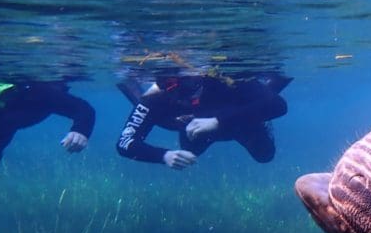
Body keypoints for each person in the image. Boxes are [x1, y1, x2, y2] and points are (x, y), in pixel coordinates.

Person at [115, 70, 290, 169]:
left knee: (265, 154)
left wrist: (218, 121)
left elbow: (278, 105)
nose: (185, 97)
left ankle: (261, 103)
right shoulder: (155, 98)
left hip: (240, 123)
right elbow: (124, 143)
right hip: (194, 131)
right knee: (189, 150)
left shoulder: (224, 78)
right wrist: (164, 156)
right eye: (173, 88)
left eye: (191, 86)